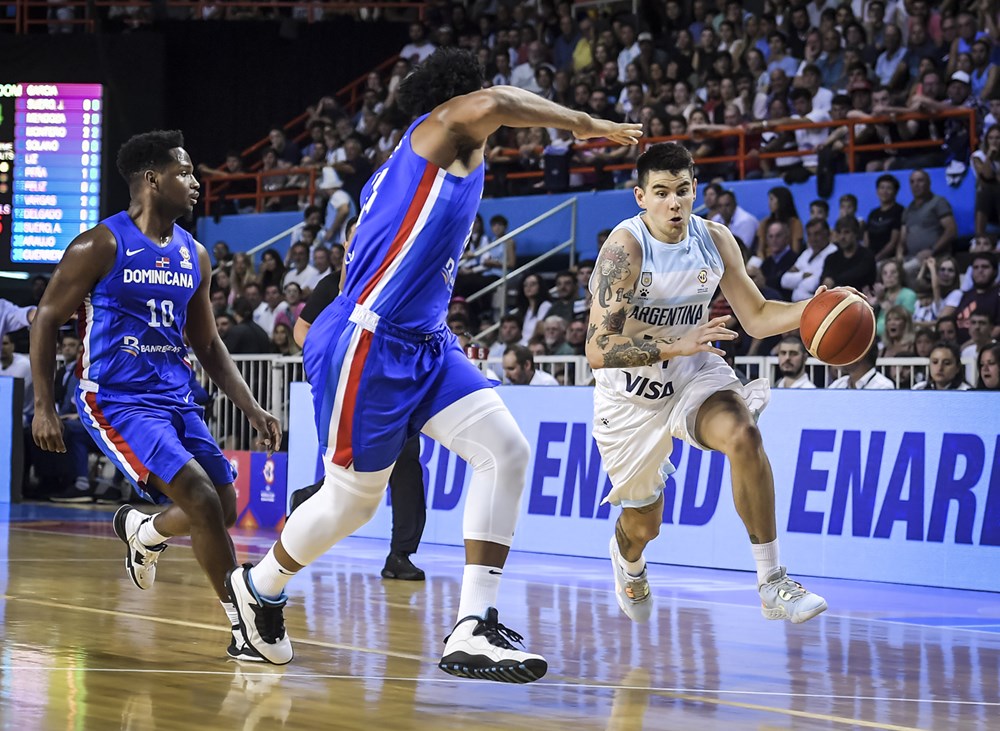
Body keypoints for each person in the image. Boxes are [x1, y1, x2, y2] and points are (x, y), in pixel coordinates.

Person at [226, 48, 642, 678]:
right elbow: (499, 103)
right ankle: (258, 587)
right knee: (352, 503)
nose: (492, 125)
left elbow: (353, 254)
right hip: (373, 341)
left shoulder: (410, 165)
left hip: (424, 340)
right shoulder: (439, 128)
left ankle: (473, 626)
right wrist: (585, 123)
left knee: (506, 451)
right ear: (457, 102)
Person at [29, 130, 282, 662]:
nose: (194, 184)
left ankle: (145, 532)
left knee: (226, 503)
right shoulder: (100, 244)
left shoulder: (194, 254)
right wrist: (47, 405)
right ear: (152, 179)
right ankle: (244, 623)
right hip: (117, 399)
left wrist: (251, 406)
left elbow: (208, 342)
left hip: (176, 397)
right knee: (200, 496)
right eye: (185, 173)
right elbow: (47, 318)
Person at [586, 142, 832, 628]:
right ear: (641, 196)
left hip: (694, 375)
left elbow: (758, 318)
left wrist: (816, 309)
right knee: (644, 526)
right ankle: (628, 563)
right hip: (629, 400)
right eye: (661, 193)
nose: (673, 203)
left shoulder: (715, 240)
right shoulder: (625, 249)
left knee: (744, 434)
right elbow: (597, 349)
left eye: (682, 191)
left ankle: (771, 582)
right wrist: (676, 343)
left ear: (695, 189)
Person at [288, 217, 427, 582]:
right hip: (346, 385)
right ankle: (306, 501)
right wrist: (333, 354)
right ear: (346, 246)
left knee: (408, 461)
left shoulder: (394, 278)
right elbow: (301, 330)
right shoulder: (332, 285)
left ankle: (401, 554)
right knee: (352, 471)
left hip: (391, 385)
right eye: (355, 238)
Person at [827, 342, 896, 389]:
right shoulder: (839, 384)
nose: (840, 356)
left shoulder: (883, 386)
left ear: (860, 356)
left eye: (845, 350)